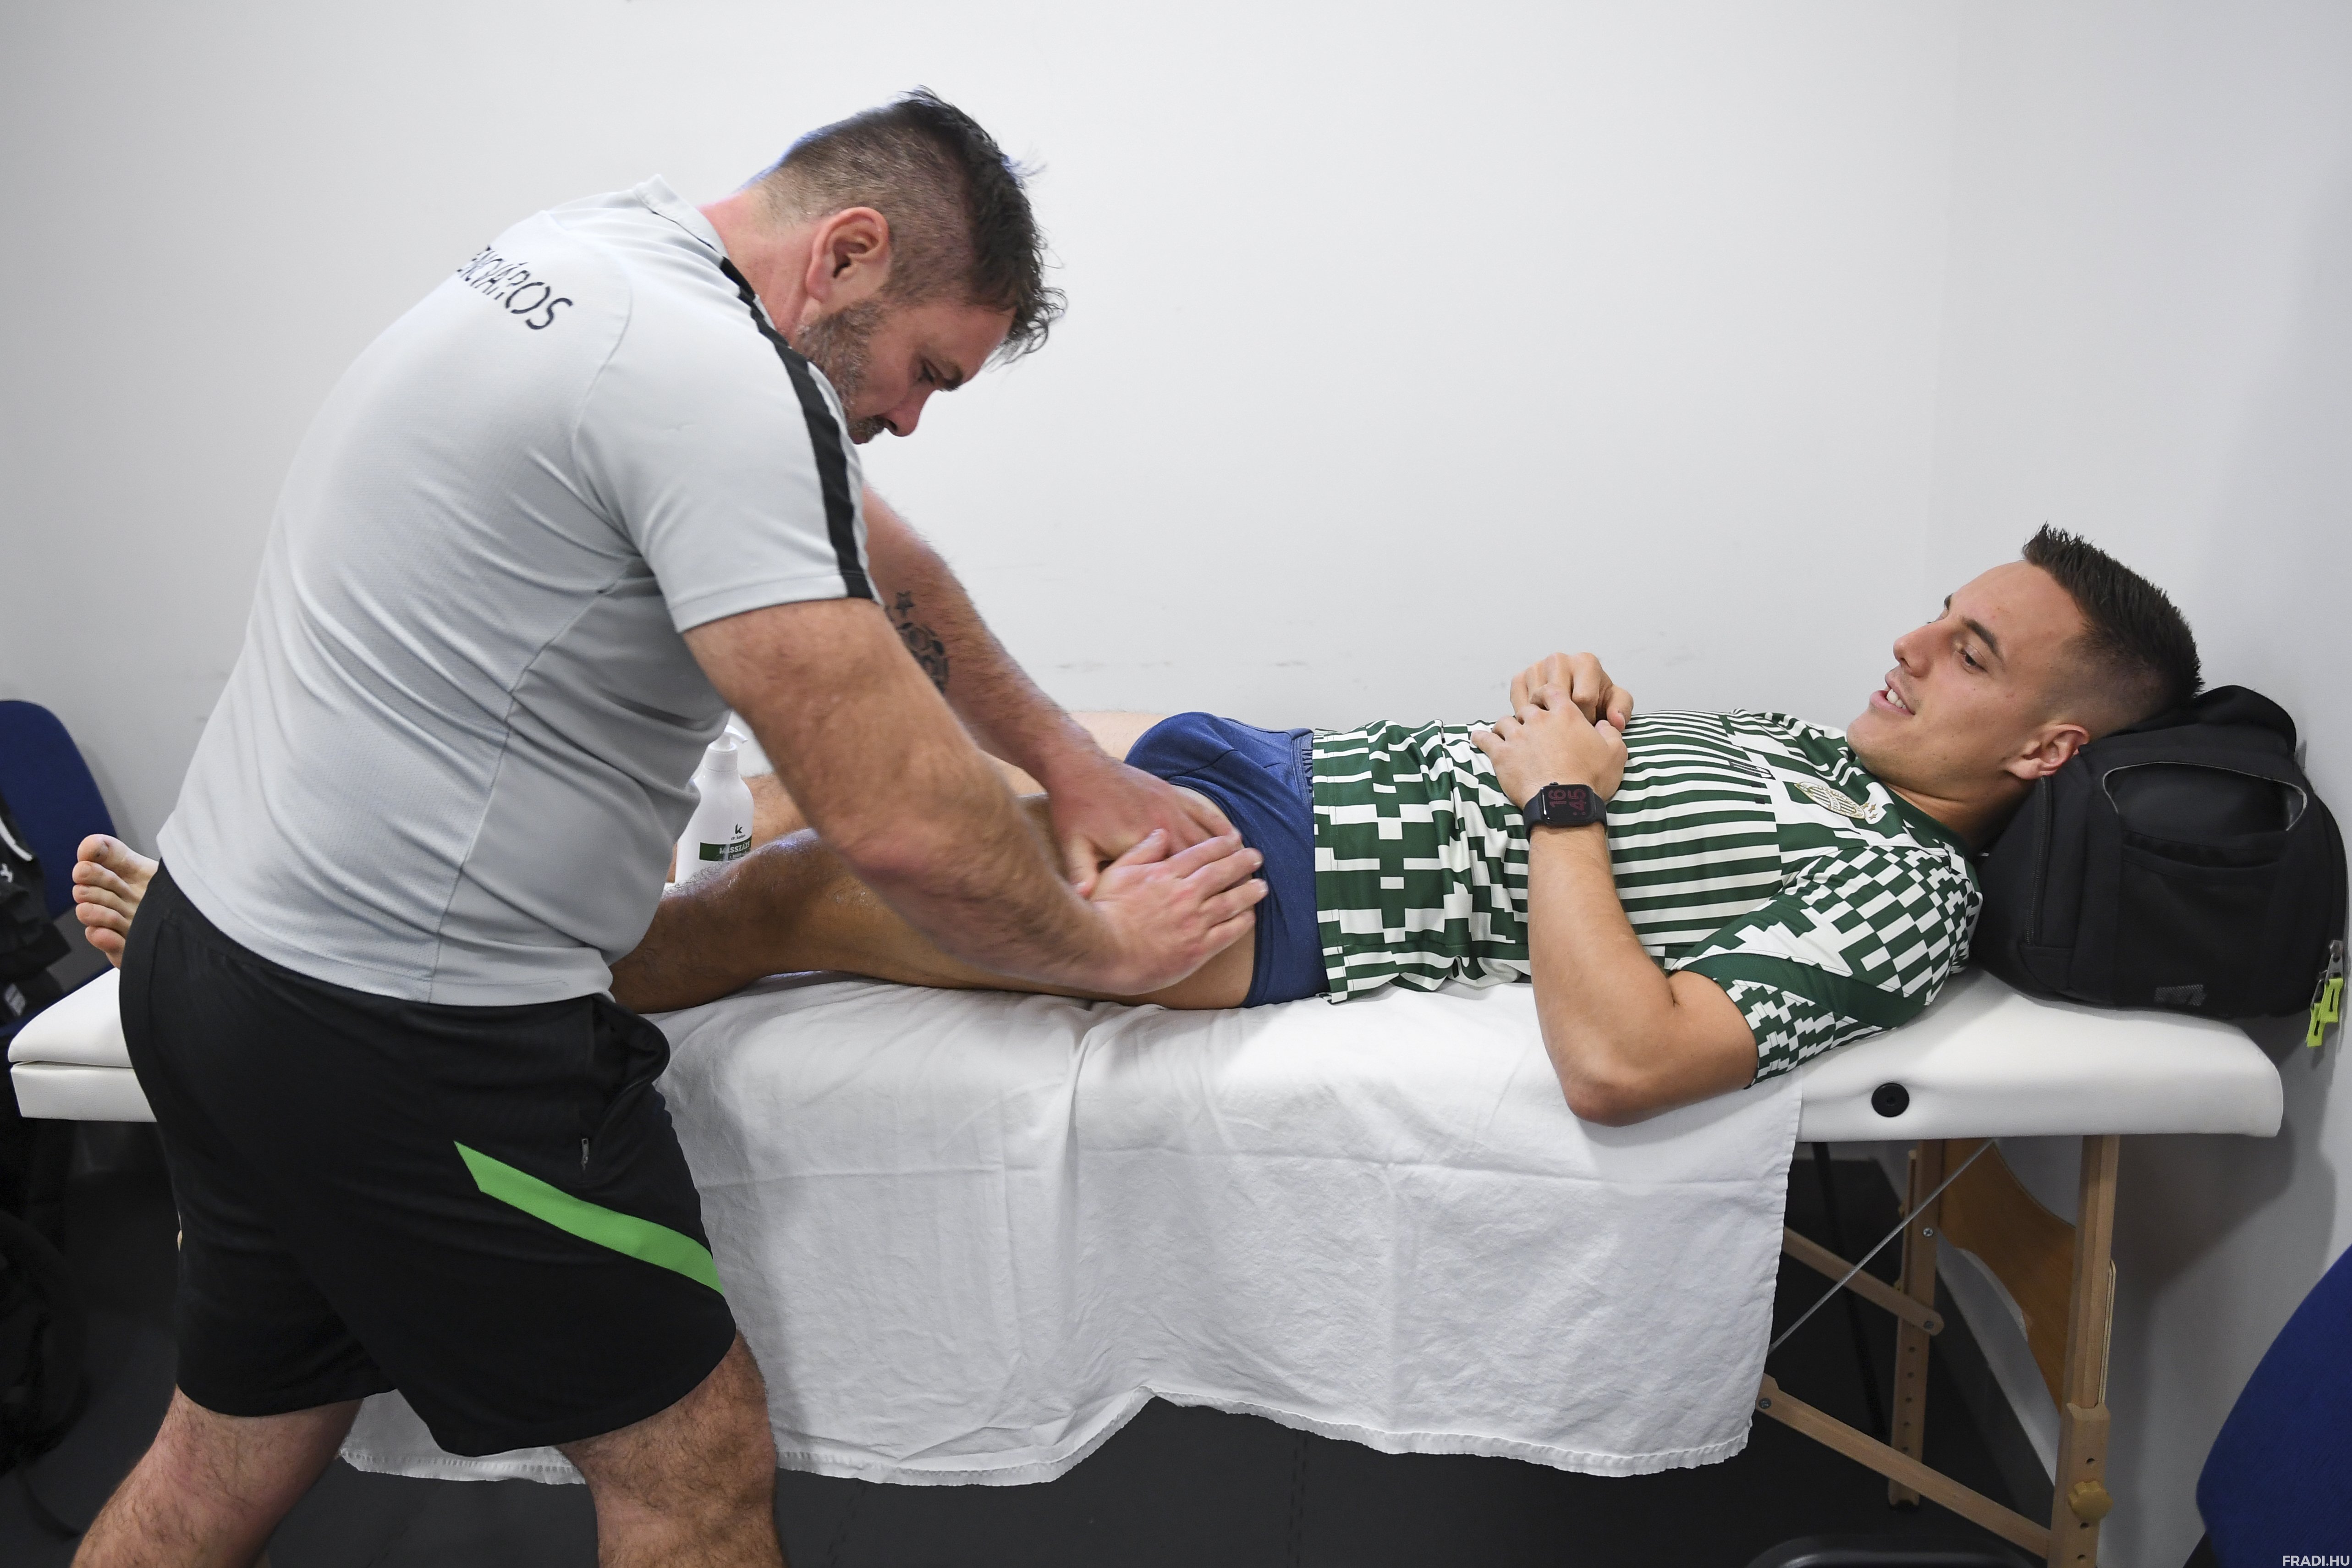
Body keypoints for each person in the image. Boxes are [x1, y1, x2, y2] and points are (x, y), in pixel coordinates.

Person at [66, 93, 1264, 1568]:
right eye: (925, 372)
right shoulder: (714, 382)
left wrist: (1066, 765)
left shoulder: (591, 257)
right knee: (691, 1471)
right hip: (406, 1034)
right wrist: (1105, 952)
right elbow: (896, 823)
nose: (907, 418)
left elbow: (881, 557)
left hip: (213, 955)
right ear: (849, 252)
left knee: (224, 1454)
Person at [84, 529, 2201, 1141]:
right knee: (817, 728)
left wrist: (1560, 786)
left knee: (785, 893)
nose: (1907, 642)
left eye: (1968, 650)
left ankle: (265, 945)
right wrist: (1575, 710)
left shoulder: (1901, 890)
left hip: (1262, 904)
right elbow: (1583, 785)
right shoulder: (1821, 759)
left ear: (2045, 746)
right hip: (1248, 765)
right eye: (1934, 610)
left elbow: (1624, 1056)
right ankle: (318, 891)